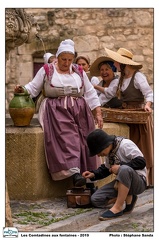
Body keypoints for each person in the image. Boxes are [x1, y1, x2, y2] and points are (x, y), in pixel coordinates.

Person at [14, 39, 103, 187]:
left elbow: (90, 92)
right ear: (58, 56)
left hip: (79, 110)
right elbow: (33, 87)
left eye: (69, 59)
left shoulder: (79, 71)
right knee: (68, 137)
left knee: (85, 139)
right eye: (63, 59)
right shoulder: (47, 70)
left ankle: (88, 176)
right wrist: (22, 89)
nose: (66, 62)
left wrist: (98, 112)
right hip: (57, 110)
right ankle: (74, 173)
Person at [104, 47, 154, 187]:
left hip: (138, 115)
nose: (115, 64)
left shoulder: (138, 76)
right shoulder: (121, 78)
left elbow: (149, 94)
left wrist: (148, 105)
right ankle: (131, 176)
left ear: (124, 63)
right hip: (127, 116)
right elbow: (109, 93)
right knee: (131, 147)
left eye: (117, 62)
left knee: (141, 145)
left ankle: (146, 179)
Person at [82, 129, 147, 220]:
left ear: (105, 145)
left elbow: (141, 162)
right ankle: (128, 198)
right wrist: (93, 174)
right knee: (96, 199)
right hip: (122, 183)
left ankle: (118, 207)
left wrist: (120, 167)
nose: (98, 155)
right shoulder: (110, 153)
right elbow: (106, 169)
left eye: (98, 152)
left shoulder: (125, 145)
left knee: (124, 169)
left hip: (139, 182)